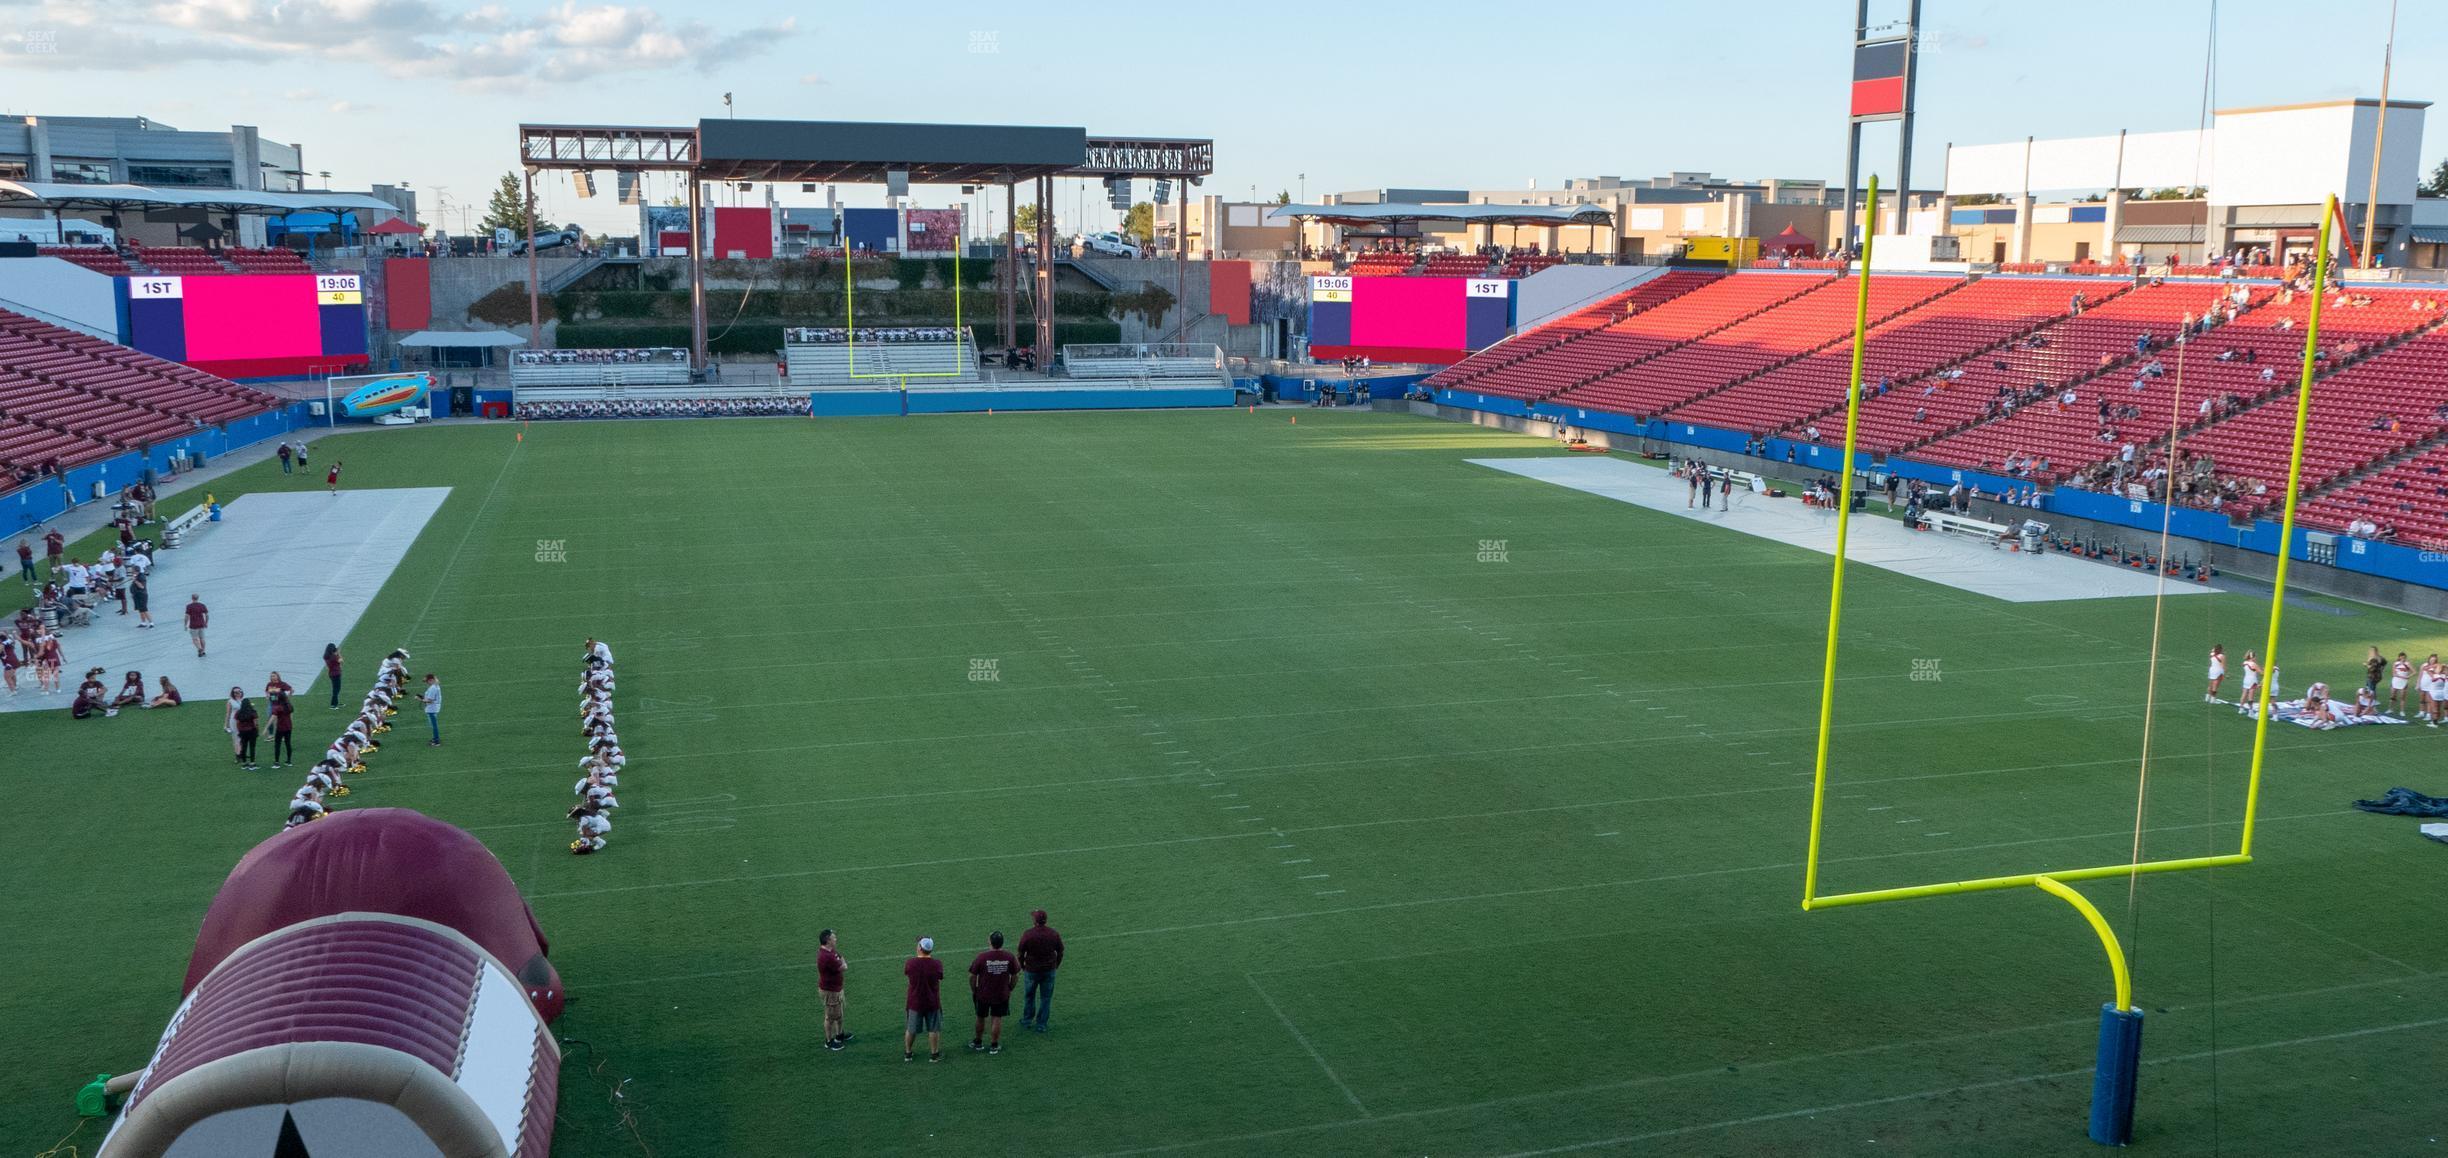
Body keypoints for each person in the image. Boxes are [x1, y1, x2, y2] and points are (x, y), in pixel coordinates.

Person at [968, 931, 1019, 1055]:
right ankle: (994, 1045)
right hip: (1001, 994)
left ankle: (978, 1042)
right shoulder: (1009, 957)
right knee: (997, 1018)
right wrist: (1010, 988)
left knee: (980, 1017)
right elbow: (1015, 975)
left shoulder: (982, 957)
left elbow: (972, 976)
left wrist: (974, 989)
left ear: (990, 942)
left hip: (983, 993)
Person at [1017, 909, 1064, 1033]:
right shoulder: (1053, 933)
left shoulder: (1028, 934)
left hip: (1032, 970)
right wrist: (1056, 965)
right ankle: (1041, 1024)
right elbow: (1060, 951)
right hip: (1049, 970)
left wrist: (1022, 965)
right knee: (1046, 998)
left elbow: (1021, 953)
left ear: (1034, 920)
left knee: (1029, 995)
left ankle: (1027, 1020)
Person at [904, 937, 945, 1063]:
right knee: (933, 1029)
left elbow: (908, 974)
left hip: (915, 1001)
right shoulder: (937, 964)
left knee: (911, 1029)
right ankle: (934, 1054)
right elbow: (940, 976)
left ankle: (908, 1053)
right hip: (932, 1001)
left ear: (920, 948)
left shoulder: (910, 963)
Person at [818, 929, 852, 1051]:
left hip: (835, 989)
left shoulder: (828, 951)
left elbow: (839, 956)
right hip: (830, 991)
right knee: (830, 1017)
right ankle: (829, 1041)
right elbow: (844, 966)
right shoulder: (827, 956)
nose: (836, 939)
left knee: (839, 1014)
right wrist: (842, 960)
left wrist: (840, 958)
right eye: (834, 937)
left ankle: (839, 1035)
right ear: (828, 940)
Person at [268, 690, 295, 767]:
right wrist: (291, 724)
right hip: (288, 727)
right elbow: (291, 716)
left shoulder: (278, 707)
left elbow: (273, 717)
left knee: (277, 745)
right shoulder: (289, 705)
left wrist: (266, 728)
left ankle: (276, 762)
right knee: (288, 743)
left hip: (280, 727)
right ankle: (289, 761)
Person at [233, 695, 260, 769]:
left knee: (243, 747)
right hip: (252, 731)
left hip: (242, 732)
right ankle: (252, 763)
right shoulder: (253, 712)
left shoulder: (238, 712)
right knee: (252, 747)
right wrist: (257, 730)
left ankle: (244, 763)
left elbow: (237, 723)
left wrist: (239, 730)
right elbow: (256, 723)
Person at [2236, 651, 2261, 716]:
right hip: (2252, 681)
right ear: (2252, 657)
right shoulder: (2254, 664)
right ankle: (2250, 711)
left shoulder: (2245, 663)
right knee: (2251, 696)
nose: (2256, 658)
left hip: (2246, 680)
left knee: (2244, 694)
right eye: (2255, 657)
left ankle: (2241, 709)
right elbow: (2261, 673)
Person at [421, 672, 443, 745]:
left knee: (434, 726)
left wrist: (420, 699)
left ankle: (436, 741)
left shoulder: (433, 688)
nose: (426, 683)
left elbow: (430, 700)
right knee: (433, 725)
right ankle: (435, 738)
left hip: (432, 709)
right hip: (433, 708)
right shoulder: (435, 685)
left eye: (427, 681)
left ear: (431, 680)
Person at [185, 594, 209, 658]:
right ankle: (203, 651)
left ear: (192, 598)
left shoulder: (189, 606)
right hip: (201, 624)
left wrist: (185, 625)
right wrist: (206, 623)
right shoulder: (202, 605)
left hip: (193, 625)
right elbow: (207, 615)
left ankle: (199, 648)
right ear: (198, 598)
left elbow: (186, 616)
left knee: (195, 639)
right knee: (202, 638)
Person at [2389, 651, 2412, 716]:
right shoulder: (2395, 663)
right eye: (2401, 657)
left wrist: (2408, 676)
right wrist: (2401, 676)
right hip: (2395, 681)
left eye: (2404, 658)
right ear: (2399, 657)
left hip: (2403, 682)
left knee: (2402, 697)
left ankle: (2402, 711)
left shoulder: (2407, 664)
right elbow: (2393, 673)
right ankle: (2390, 709)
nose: (2403, 659)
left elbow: (2414, 671)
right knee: (2393, 696)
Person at [324, 643, 344, 708]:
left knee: (335, 689)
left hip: (331, 673)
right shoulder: (334, 656)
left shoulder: (326, 656)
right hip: (336, 674)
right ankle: (333, 704)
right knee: (336, 689)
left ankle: (336, 702)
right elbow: (341, 661)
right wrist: (338, 653)